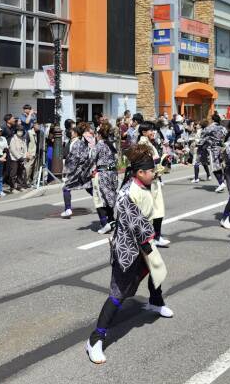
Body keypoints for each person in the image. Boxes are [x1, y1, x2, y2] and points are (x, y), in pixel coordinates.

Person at [86, 145, 173, 365]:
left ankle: (155, 301)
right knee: (118, 294)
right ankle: (95, 339)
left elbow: (161, 170)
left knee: (156, 272)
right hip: (129, 249)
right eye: (151, 171)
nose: (155, 174)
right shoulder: (127, 194)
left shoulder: (141, 182)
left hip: (143, 242)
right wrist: (149, 245)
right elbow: (138, 225)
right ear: (140, 173)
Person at [137, 122, 169, 247]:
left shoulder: (147, 143)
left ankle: (155, 236)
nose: (153, 132)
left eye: (153, 130)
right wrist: (160, 160)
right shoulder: (143, 144)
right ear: (144, 132)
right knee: (152, 210)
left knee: (156, 210)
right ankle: (152, 237)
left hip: (152, 180)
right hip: (149, 181)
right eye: (150, 130)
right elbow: (146, 162)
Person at [60, 124, 94, 218]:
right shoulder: (77, 142)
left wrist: (67, 171)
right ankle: (102, 202)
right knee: (88, 187)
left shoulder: (77, 143)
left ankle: (68, 209)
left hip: (76, 170)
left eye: (71, 131)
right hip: (83, 170)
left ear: (75, 133)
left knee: (66, 187)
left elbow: (74, 159)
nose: (69, 133)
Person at [92, 123, 119, 235]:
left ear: (99, 134)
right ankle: (112, 220)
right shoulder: (111, 145)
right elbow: (116, 158)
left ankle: (105, 224)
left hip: (102, 173)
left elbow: (91, 158)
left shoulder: (99, 145)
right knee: (110, 197)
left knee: (99, 199)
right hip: (112, 173)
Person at [203, 114, 227, 193]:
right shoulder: (223, 128)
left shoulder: (210, 127)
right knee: (220, 166)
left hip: (213, 148)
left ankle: (221, 183)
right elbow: (225, 135)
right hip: (221, 148)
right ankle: (222, 182)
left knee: (214, 167)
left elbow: (203, 133)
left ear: (213, 120)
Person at [7, 125, 28, 192]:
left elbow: (25, 149)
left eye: (21, 131)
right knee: (13, 174)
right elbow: (12, 150)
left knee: (20, 173)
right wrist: (19, 157)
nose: (20, 132)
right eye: (19, 131)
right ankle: (12, 188)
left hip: (21, 158)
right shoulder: (13, 139)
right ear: (16, 131)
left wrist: (24, 157)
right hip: (14, 158)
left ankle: (20, 186)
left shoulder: (23, 139)